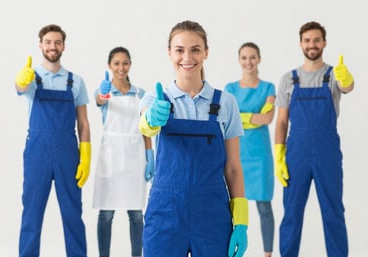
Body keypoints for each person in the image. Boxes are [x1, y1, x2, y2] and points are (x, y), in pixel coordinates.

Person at [138, 20, 249, 257]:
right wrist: (152, 119)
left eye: (195, 49)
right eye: (179, 50)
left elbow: (233, 169)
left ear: (206, 52)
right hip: (165, 214)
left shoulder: (225, 103)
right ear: (169, 53)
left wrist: (241, 221)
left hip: (212, 216)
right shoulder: (155, 100)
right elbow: (144, 127)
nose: (187, 57)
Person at [274, 21, 354, 257]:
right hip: (296, 153)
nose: (312, 44)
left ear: (324, 43)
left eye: (316, 40)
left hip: (327, 151)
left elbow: (348, 87)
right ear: (301, 44)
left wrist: (346, 78)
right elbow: (281, 121)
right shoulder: (289, 79)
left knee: (333, 212)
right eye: (307, 40)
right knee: (291, 213)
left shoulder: (333, 75)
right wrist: (279, 154)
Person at [15, 24, 91, 257]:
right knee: (32, 212)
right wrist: (21, 79)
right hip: (37, 151)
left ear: (63, 46)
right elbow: (19, 87)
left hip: (68, 152)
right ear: (40, 45)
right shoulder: (31, 77)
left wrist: (86, 155)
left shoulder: (75, 81)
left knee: (72, 213)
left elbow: (84, 123)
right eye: (48, 42)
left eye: (57, 42)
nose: (53, 46)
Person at [92, 46, 154, 257]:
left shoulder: (141, 94)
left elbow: (146, 127)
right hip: (110, 157)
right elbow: (99, 100)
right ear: (110, 65)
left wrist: (150, 155)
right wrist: (102, 93)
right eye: (116, 63)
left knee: (136, 214)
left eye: (125, 63)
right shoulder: (105, 92)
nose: (121, 67)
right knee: (106, 213)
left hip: (134, 158)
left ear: (130, 64)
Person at [224, 42, 275, 257]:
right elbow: (227, 119)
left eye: (252, 57)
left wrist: (241, 117)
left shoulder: (268, 88)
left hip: (260, 155)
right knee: (231, 207)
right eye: (244, 57)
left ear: (259, 59)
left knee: (264, 208)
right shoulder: (230, 89)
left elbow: (268, 118)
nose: (248, 62)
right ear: (239, 60)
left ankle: (268, 254)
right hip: (236, 155)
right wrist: (253, 118)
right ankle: (227, 250)